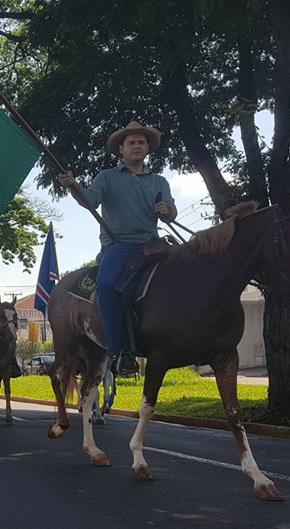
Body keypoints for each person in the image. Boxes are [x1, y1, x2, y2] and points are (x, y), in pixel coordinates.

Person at [58, 121, 177, 377]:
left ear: (148, 149)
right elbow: (89, 200)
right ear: (121, 149)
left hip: (152, 243)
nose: (137, 146)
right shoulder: (107, 177)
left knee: (187, 270)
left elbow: (171, 213)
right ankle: (118, 350)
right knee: (107, 285)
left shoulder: (159, 181)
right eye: (131, 143)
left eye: (141, 142)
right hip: (119, 245)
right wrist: (73, 186)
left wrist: (167, 210)